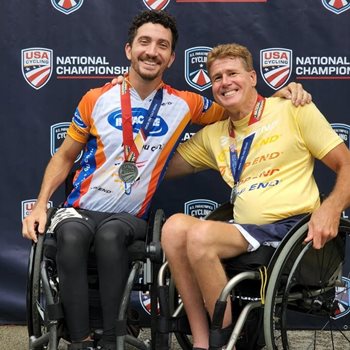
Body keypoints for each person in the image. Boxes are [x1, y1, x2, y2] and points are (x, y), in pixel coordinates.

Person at [22, 10, 311, 350]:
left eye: (162, 45)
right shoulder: (96, 97)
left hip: (126, 217)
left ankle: (115, 340)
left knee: (112, 234)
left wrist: (281, 95)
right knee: (69, 234)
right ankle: (81, 341)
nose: (152, 51)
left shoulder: (185, 104)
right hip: (80, 208)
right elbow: (65, 156)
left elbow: (239, 105)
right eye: (144, 42)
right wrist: (40, 204)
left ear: (171, 58)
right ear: (129, 49)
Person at [161, 43, 350, 350]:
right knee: (174, 228)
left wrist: (332, 207)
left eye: (232, 73)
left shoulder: (293, 109)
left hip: (291, 232)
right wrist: (132, 99)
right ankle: (202, 341)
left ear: (252, 77)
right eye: (217, 77)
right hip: (248, 231)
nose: (225, 82)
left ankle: (225, 344)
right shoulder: (214, 135)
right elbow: (157, 167)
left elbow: (347, 165)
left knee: (200, 236)